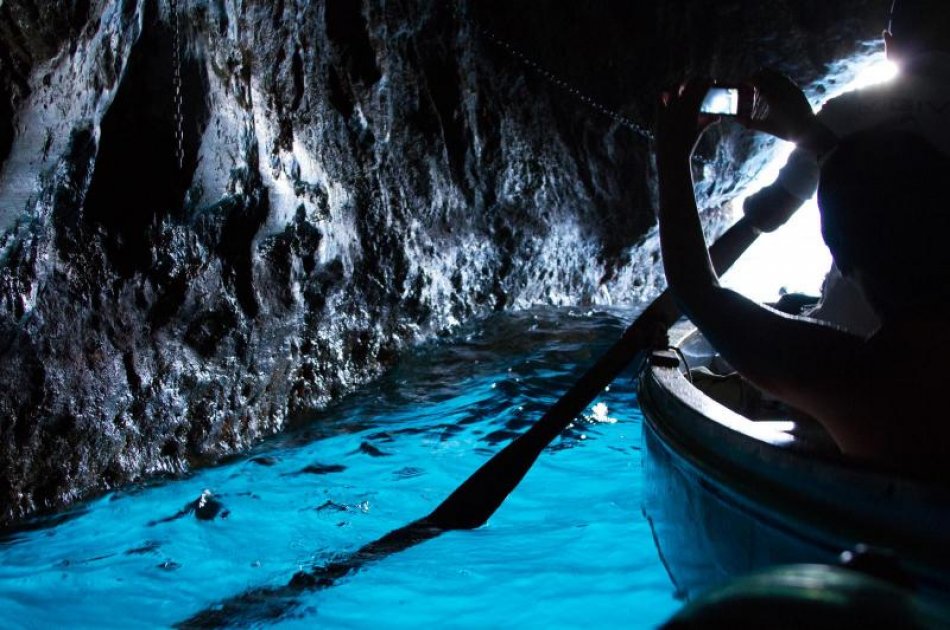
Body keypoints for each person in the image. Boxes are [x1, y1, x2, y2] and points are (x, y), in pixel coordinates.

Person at [656, 80, 950, 476]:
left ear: (842, 260)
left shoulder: (860, 380)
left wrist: (672, 156)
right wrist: (815, 138)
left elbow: (696, 291)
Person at [741, 0, 950, 336]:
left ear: (889, 46)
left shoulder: (846, 112)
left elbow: (769, 214)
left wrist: (749, 205)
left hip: (851, 343)